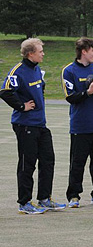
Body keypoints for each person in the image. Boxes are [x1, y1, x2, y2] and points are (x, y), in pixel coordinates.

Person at [0, 38, 66, 214]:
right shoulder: (18, 71)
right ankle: (25, 202)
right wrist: (22, 106)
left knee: (48, 160)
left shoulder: (37, 69)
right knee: (27, 164)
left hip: (40, 124)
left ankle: (44, 198)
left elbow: (40, 89)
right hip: (24, 124)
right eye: (40, 51)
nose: (43, 53)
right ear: (30, 54)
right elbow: (5, 91)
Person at [61, 37, 93, 208]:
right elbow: (71, 97)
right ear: (84, 51)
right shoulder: (69, 71)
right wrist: (88, 92)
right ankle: (74, 196)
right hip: (80, 126)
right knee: (77, 163)